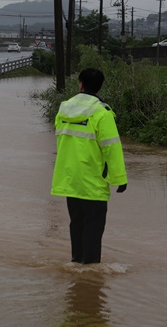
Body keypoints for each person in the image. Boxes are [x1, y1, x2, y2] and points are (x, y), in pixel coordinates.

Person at [51, 68, 128, 264]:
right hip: (93, 180)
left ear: (80, 84)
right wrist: (120, 179)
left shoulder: (64, 108)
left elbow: (61, 139)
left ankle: (76, 263)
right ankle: (90, 274)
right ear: (100, 86)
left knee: (76, 224)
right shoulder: (102, 112)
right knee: (93, 228)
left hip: (69, 178)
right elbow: (112, 147)